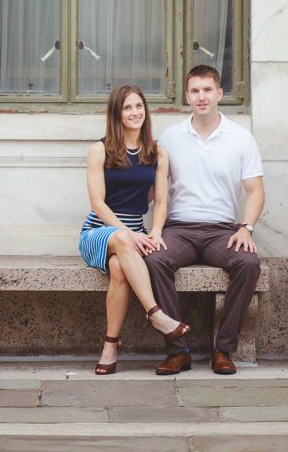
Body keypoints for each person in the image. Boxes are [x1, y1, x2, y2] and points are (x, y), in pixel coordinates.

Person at [146, 64, 265, 376]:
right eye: (195, 91)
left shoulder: (241, 138)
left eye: (207, 90)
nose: (201, 97)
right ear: (187, 95)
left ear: (220, 94)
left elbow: (255, 191)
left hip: (221, 231)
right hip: (178, 229)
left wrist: (246, 228)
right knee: (155, 259)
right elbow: (155, 190)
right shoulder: (170, 137)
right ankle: (178, 350)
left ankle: (223, 348)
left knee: (249, 264)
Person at [79, 83, 190, 375]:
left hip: (136, 235)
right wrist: (128, 235)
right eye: (127, 107)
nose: (134, 112)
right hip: (99, 231)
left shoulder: (156, 153)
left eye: (139, 106)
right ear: (116, 112)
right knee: (120, 239)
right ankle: (156, 314)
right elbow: (98, 204)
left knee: (119, 270)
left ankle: (110, 344)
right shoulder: (99, 150)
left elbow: (162, 202)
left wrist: (155, 232)